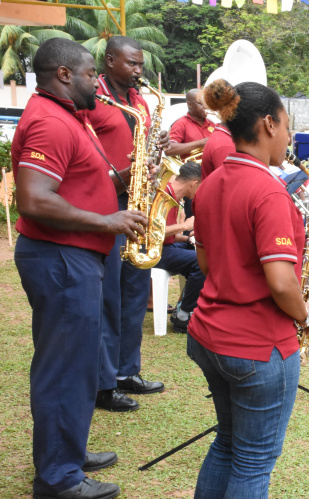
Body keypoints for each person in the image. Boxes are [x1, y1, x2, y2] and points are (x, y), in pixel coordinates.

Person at [13, 38, 148, 499]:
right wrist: (108, 220)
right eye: (92, 74)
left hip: (73, 256)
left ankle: (67, 452)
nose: (98, 82)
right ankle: (58, 475)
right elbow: (33, 198)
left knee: (78, 363)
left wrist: (118, 182)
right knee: (64, 368)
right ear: (65, 75)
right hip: (60, 257)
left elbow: (74, 183)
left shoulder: (68, 117)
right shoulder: (49, 122)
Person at [188, 78, 309, 499]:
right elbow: (283, 284)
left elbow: (205, 263)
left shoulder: (210, 183)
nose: (289, 138)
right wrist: (307, 314)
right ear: (268, 123)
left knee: (227, 443)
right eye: (287, 127)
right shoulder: (268, 191)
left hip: (208, 335)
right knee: (253, 464)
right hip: (257, 347)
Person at [87, 36, 164, 412]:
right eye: (132, 64)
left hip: (137, 199)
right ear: (110, 60)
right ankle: (103, 383)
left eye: (140, 64)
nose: (139, 70)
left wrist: (152, 157)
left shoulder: (138, 100)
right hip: (107, 202)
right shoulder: (93, 97)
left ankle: (125, 371)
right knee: (109, 295)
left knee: (135, 288)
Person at [151, 161, 208, 333]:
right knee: (201, 262)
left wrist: (187, 237)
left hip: (166, 247)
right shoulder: (164, 194)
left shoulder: (174, 196)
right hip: (155, 251)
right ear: (194, 183)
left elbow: (170, 236)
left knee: (203, 253)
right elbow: (153, 232)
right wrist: (185, 226)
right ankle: (183, 315)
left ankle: (189, 306)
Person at [164, 88, 216, 158]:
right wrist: (200, 143)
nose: (206, 107)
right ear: (190, 104)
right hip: (192, 167)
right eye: (201, 104)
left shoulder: (213, 124)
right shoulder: (180, 124)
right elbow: (168, 150)